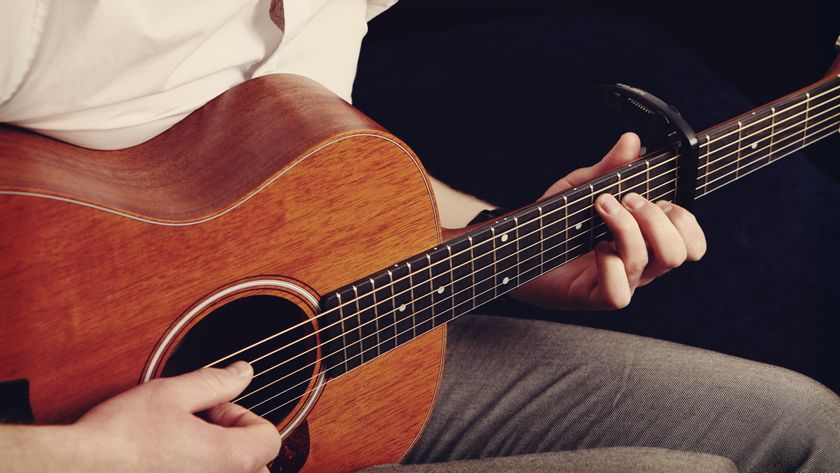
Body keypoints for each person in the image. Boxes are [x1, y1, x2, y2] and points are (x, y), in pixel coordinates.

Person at [1, 1, 838, 472]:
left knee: (806, 428)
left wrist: (510, 245)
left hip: (319, 375)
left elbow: (299, 176)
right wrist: (91, 453)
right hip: (76, 443)